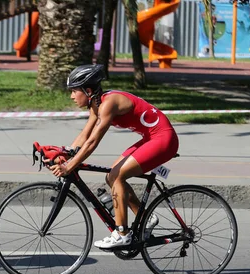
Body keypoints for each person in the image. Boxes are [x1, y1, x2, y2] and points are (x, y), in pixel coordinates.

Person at [48, 64, 179, 249]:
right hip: (151, 137)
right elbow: (85, 135)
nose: (71, 96)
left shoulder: (109, 103)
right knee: (111, 176)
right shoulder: (96, 104)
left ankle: (122, 234)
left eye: (74, 91)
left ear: (88, 90)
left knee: (118, 175)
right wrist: (64, 153)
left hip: (164, 139)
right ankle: (146, 219)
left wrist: (69, 167)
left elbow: (93, 142)